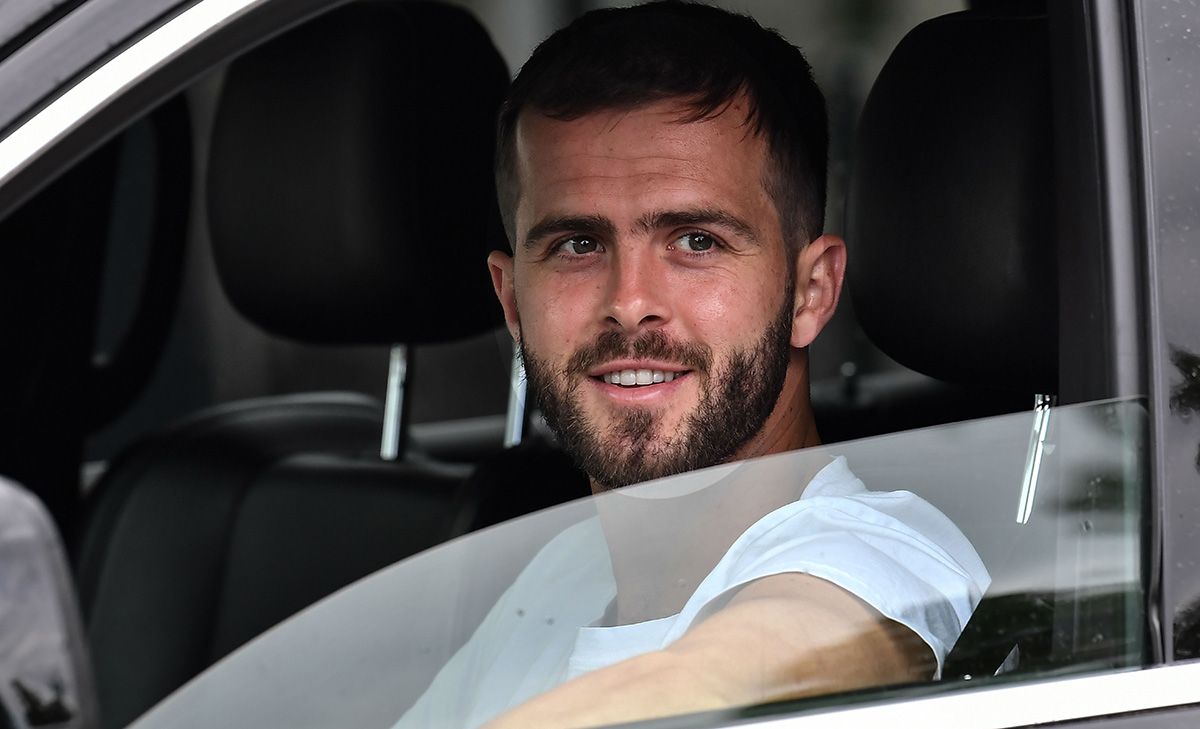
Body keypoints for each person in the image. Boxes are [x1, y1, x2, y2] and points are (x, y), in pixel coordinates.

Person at [397, 3, 989, 727]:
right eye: (578, 245)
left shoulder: (879, 560)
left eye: (696, 241)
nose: (630, 302)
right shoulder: (559, 576)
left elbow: (741, 669)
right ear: (513, 301)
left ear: (811, 291)